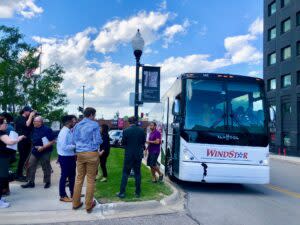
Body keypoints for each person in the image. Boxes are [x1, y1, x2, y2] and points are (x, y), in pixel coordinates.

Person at [72, 107, 102, 213]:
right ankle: (88, 205)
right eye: (94, 115)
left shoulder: (77, 125)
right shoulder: (94, 124)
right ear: (91, 115)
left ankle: (75, 203)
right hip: (91, 153)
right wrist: (95, 146)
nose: (94, 117)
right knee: (90, 180)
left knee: (79, 178)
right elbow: (98, 140)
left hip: (80, 154)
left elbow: (74, 139)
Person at [21, 116, 55, 189]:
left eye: (35, 121)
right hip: (35, 150)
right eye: (33, 121)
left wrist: (43, 147)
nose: (33, 122)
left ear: (40, 122)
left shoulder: (47, 129)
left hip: (45, 150)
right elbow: (31, 137)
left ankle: (47, 181)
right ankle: (31, 182)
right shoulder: (33, 129)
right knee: (30, 165)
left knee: (45, 166)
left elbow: (52, 141)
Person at [117, 117, 146, 199]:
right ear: (136, 122)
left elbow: (123, 143)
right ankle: (137, 192)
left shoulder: (126, 131)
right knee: (137, 173)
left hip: (129, 155)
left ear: (129, 122)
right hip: (138, 154)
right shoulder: (141, 131)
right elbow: (143, 142)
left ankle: (122, 193)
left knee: (125, 173)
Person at [0, 118, 25, 208]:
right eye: (4, 123)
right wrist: (20, 138)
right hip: (2, 159)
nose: (6, 125)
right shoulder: (1, 133)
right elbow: (10, 142)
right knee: (2, 178)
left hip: (3, 158)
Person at [57, 115, 77, 202]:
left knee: (72, 176)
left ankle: (73, 193)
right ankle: (62, 195)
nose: (75, 122)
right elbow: (64, 146)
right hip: (65, 157)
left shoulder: (69, 131)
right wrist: (76, 146)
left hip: (70, 156)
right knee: (64, 176)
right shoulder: (64, 132)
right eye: (73, 121)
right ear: (68, 122)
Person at [15, 106, 35, 182]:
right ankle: (18, 175)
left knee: (26, 159)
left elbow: (32, 126)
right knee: (22, 158)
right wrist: (30, 116)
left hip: (28, 141)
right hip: (22, 141)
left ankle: (21, 174)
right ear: (25, 111)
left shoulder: (29, 118)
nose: (30, 113)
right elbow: (26, 124)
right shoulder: (19, 118)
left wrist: (34, 117)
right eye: (29, 111)